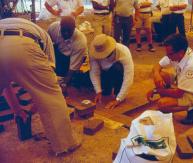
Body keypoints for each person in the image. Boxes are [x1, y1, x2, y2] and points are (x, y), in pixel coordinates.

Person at [0, 18, 80, 155]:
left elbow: (5, 85)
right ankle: (65, 144)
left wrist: (18, 111)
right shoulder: (46, 38)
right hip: (22, 44)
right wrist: (34, 107)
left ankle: (21, 117)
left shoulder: (10, 22)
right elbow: (45, 89)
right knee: (52, 95)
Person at [147, 34, 193, 124]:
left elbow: (178, 93)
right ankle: (170, 102)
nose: (168, 57)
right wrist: (157, 74)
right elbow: (157, 66)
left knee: (162, 104)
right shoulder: (177, 54)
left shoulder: (191, 65)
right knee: (161, 74)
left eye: (169, 54)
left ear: (180, 52)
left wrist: (156, 91)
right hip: (183, 85)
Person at [89, 34, 134, 109]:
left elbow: (128, 77)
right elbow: (94, 72)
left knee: (117, 68)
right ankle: (106, 88)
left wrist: (119, 99)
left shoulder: (123, 51)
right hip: (104, 72)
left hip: (116, 71)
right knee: (102, 90)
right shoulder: (93, 52)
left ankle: (118, 92)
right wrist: (98, 91)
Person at [48, 16, 88, 89]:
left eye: (69, 31)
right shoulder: (53, 27)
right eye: (63, 31)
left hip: (73, 57)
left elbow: (73, 66)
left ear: (74, 28)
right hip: (59, 51)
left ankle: (76, 75)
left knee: (65, 76)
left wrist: (64, 83)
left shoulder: (81, 41)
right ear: (60, 26)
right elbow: (47, 45)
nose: (66, 33)